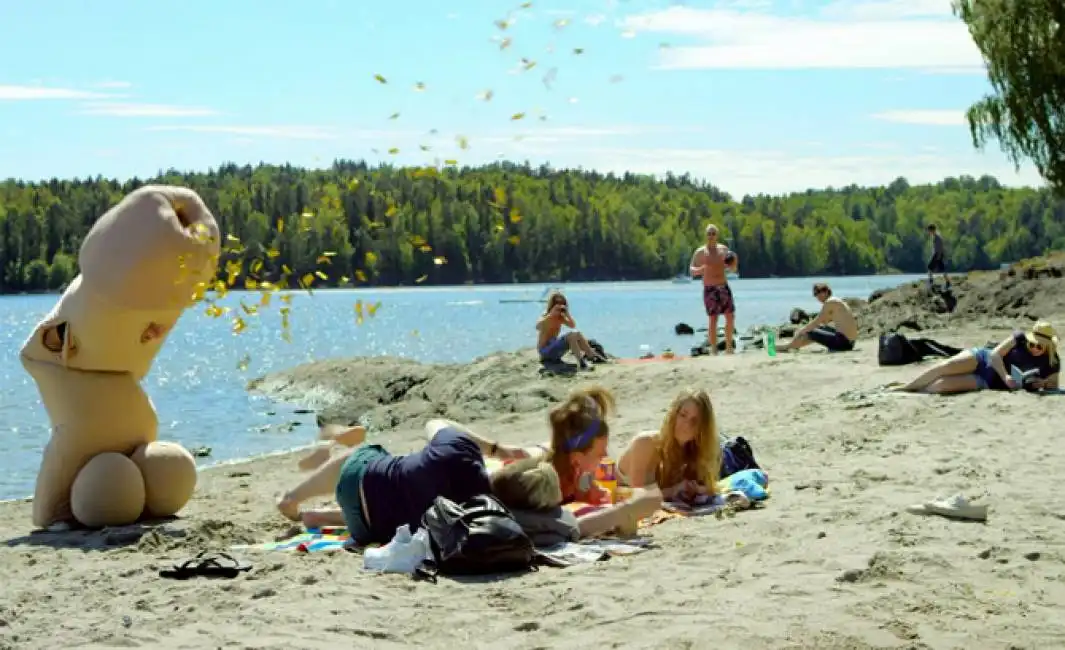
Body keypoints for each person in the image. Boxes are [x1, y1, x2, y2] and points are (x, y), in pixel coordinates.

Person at [276, 422, 492, 545]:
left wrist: (496, 449)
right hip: (367, 529)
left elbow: (434, 422)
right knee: (411, 506)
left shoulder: (457, 450)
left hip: (361, 480)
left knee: (361, 455)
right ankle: (320, 517)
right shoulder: (487, 512)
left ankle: (293, 496)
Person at [892, 321, 1060, 395]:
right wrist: (1006, 376)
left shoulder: (1052, 362)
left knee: (941, 385)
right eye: (1032, 344)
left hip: (988, 382)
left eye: (1039, 346)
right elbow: (995, 354)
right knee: (946, 366)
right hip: (983, 359)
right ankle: (905, 387)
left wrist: (1042, 384)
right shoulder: (1019, 338)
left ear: (1049, 347)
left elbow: (1053, 385)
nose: (1034, 348)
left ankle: (914, 391)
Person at [616, 388, 722, 502]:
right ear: (673, 415)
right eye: (683, 415)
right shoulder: (645, 443)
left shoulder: (692, 450)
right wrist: (675, 490)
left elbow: (711, 488)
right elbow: (638, 498)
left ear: (701, 428)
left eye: (694, 421)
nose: (686, 425)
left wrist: (695, 489)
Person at [690, 224, 739, 354]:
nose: (711, 236)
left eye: (713, 233)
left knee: (730, 316)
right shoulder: (700, 252)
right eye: (709, 234)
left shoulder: (723, 250)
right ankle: (714, 350)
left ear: (717, 235)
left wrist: (734, 263)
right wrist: (700, 270)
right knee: (713, 319)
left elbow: (732, 268)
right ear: (706, 235)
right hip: (709, 289)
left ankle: (729, 348)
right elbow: (692, 270)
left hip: (723, 286)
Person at [780, 283, 859, 353]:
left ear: (826, 292)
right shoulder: (836, 301)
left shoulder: (830, 302)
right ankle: (793, 346)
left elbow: (816, 322)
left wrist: (801, 331)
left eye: (818, 293)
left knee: (809, 330)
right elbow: (824, 322)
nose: (817, 296)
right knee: (817, 329)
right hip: (850, 343)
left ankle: (788, 346)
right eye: (815, 294)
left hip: (843, 343)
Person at [536, 290, 603, 370]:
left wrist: (567, 314)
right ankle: (582, 363)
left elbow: (572, 325)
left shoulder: (560, 318)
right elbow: (538, 326)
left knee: (577, 333)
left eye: (562, 303)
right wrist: (551, 314)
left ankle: (591, 355)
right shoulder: (545, 316)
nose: (560, 305)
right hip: (545, 352)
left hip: (555, 351)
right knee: (570, 336)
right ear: (552, 304)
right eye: (557, 302)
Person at [927, 224, 950, 289]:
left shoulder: (937, 237)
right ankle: (948, 282)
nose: (928, 232)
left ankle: (931, 282)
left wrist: (938, 257)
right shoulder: (935, 236)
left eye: (929, 231)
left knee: (929, 267)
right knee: (942, 270)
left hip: (938, 254)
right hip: (937, 254)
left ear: (932, 230)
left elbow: (940, 248)